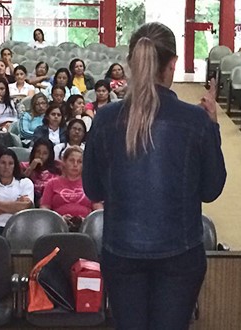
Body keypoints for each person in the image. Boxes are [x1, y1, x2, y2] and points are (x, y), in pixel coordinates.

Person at [83, 22, 226, 329]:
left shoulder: (106, 118)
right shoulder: (196, 120)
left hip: (121, 249)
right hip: (180, 251)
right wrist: (213, 127)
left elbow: (92, 189)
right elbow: (212, 189)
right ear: (172, 64)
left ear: (131, 63)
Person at [41, 146, 102, 227]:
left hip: (86, 226)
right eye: (71, 160)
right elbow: (44, 208)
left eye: (80, 161)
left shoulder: (90, 183)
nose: (75, 164)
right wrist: (59, 219)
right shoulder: (51, 183)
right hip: (58, 226)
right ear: (64, 162)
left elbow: (99, 210)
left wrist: (87, 221)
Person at [21, 138, 61, 203]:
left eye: (45, 153)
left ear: (50, 155)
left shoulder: (58, 167)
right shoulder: (23, 166)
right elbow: (19, 184)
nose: (40, 156)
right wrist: (31, 168)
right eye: (38, 152)